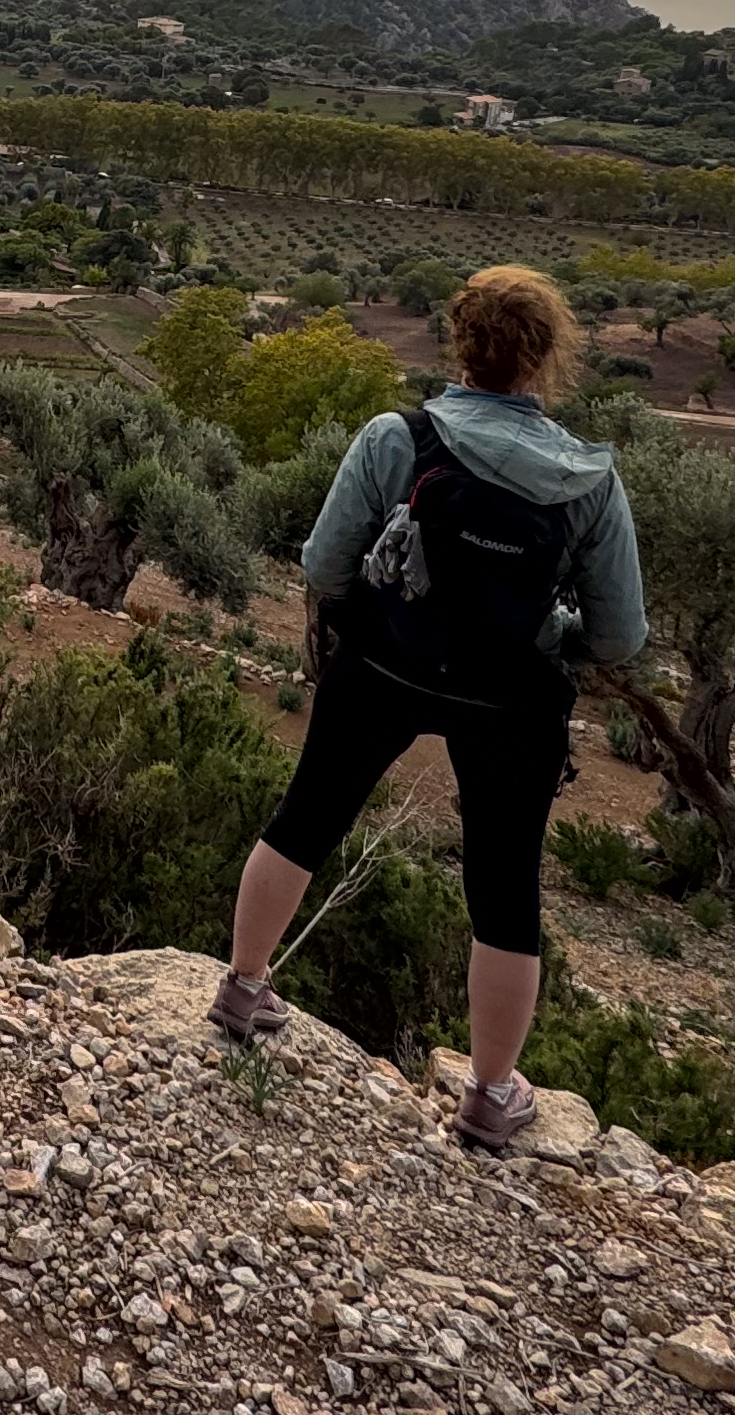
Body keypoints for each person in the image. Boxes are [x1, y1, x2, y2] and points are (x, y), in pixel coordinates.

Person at [211, 264, 646, 1154]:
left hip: (386, 665)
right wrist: (546, 633)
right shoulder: (589, 482)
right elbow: (619, 636)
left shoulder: (395, 437)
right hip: (512, 697)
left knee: (307, 816)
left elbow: (323, 564)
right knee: (503, 883)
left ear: (460, 340)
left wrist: (381, 610)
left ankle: (243, 988)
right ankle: (489, 1095)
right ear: (546, 359)